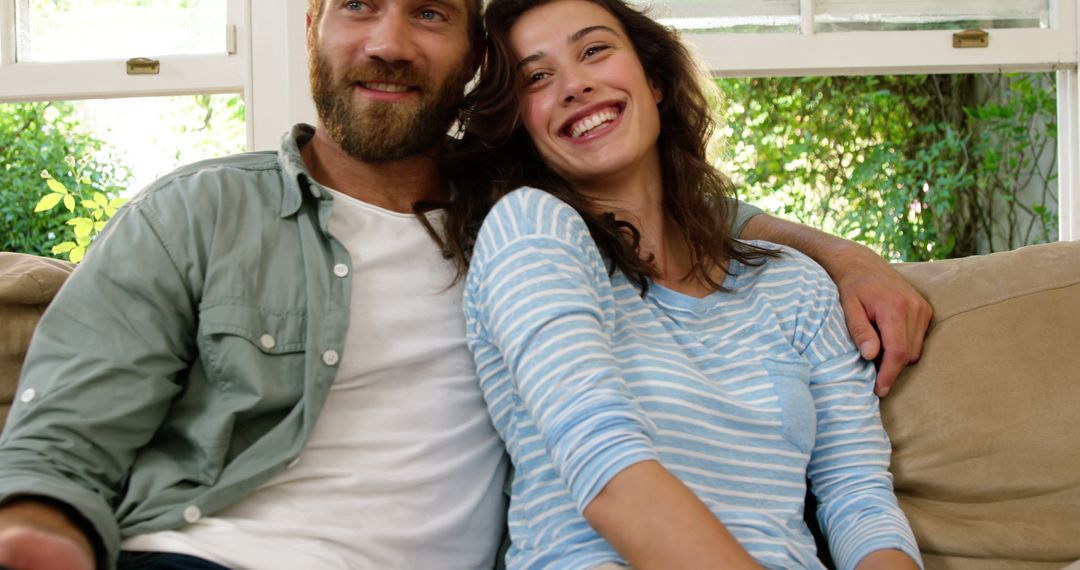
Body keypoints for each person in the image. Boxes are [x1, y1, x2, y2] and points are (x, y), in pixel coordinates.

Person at [0, 0, 927, 568]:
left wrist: (843, 257)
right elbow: (62, 435)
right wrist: (41, 530)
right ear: (314, 24)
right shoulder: (197, 215)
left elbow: (682, 218)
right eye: (359, 4)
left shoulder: (526, 208)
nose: (390, 42)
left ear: (472, 59)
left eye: (431, 13)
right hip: (204, 557)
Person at [454, 0, 923, 568]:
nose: (574, 85)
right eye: (537, 77)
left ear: (653, 80)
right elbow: (609, 475)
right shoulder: (530, 230)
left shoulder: (792, 284)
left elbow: (858, 497)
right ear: (519, 124)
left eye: (594, 50)